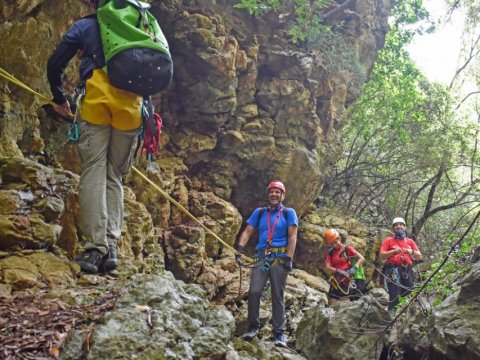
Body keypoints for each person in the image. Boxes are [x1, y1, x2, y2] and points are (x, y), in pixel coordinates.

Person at [47, 0, 143, 273]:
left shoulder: (87, 25)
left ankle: (95, 248)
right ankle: (111, 247)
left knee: (94, 168)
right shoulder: (141, 23)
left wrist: (59, 97)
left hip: (96, 104)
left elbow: (55, 65)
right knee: (114, 175)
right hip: (132, 110)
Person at [236, 181, 298, 348]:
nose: (274, 195)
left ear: (282, 195)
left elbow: (293, 236)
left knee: (277, 294)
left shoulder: (288, 212)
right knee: (254, 291)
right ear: (268, 194)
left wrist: (289, 258)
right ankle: (253, 325)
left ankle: (278, 333)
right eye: (272, 192)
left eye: (278, 192)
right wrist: (240, 248)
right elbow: (248, 231)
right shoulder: (260, 212)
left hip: (279, 258)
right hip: (262, 257)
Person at [380, 217, 423, 310]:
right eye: (396, 225)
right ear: (393, 228)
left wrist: (411, 251)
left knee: (408, 291)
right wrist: (393, 252)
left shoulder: (410, 241)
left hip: (407, 270)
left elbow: (419, 256)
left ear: (405, 227)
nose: (398, 226)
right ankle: (391, 315)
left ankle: (401, 313)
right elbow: (382, 256)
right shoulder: (388, 240)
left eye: (401, 224)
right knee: (394, 294)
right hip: (393, 270)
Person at [323, 228, 365, 306]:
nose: (335, 245)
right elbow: (327, 267)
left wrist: (354, 268)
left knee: (344, 304)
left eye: (336, 242)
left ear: (339, 238)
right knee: (332, 303)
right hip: (336, 281)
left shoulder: (347, 249)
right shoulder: (331, 252)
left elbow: (361, 258)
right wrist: (337, 271)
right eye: (332, 244)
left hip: (346, 280)